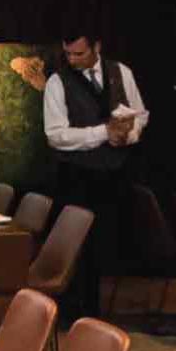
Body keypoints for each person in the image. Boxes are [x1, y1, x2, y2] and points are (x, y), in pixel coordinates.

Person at [44, 27, 148, 317]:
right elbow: (55, 135)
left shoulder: (121, 72)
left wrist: (128, 135)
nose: (73, 59)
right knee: (78, 253)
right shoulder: (57, 81)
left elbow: (140, 114)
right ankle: (72, 317)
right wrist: (103, 133)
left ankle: (98, 319)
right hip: (77, 177)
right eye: (68, 54)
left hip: (114, 176)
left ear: (96, 47)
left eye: (79, 53)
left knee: (106, 249)